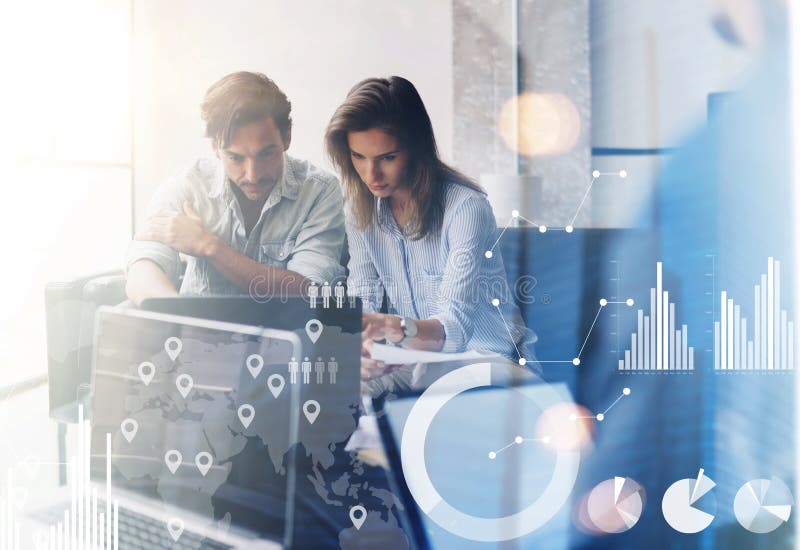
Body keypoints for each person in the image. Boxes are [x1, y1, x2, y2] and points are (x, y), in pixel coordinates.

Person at [325, 76, 535, 381]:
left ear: (415, 147)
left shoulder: (465, 208)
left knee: (429, 389)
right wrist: (362, 348)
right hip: (416, 359)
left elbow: (455, 328)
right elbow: (364, 298)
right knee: (334, 389)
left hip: (492, 360)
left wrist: (390, 327)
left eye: (388, 157)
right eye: (359, 156)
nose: (371, 173)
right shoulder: (359, 212)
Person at [125, 71, 346, 305]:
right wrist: (176, 318)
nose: (253, 175)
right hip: (196, 334)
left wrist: (210, 246)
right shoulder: (189, 184)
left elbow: (309, 292)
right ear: (215, 147)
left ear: (287, 137)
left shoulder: (319, 191)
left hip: (286, 338)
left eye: (266, 153)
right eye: (235, 158)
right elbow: (143, 266)